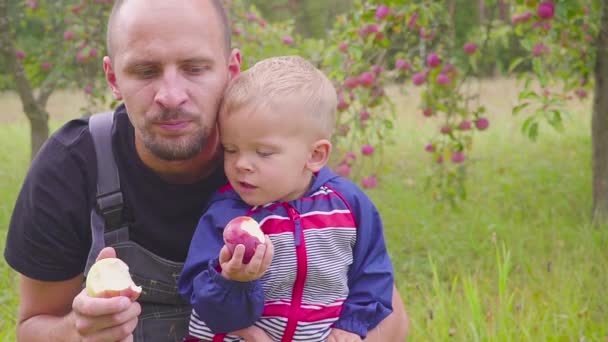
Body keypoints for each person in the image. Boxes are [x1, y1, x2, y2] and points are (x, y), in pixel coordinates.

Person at [2, 0, 409, 341]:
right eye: (145, 70)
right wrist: (79, 330)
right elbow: (31, 327)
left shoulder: (274, 152)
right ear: (112, 77)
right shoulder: (72, 165)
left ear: (231, 70)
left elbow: (389, 313)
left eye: (195, 68)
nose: (171, 95)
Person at [178, 56, 394, 342]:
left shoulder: (347, 206)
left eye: (263, 152)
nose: (242, 164)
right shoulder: (225, 214)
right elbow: (200, 298)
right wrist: (232, 281)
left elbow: (372, 273)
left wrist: (351, 325)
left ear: (315, 155)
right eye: (231, 149)